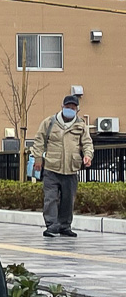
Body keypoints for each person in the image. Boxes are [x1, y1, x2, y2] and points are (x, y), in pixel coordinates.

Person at [31, 95, 94, 238]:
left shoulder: (81, 125)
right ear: (62, 106)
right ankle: (52, 226)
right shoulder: (49, 123)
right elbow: (39, 141)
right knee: (50, 198)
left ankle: (65, 226)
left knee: (68, 199)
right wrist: (38, 159)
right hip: (52, 167)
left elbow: (87, 143)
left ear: (77, 110)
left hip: (71, 168)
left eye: (73, 108)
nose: (70, 110)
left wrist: (88, 155)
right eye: (67, 107)